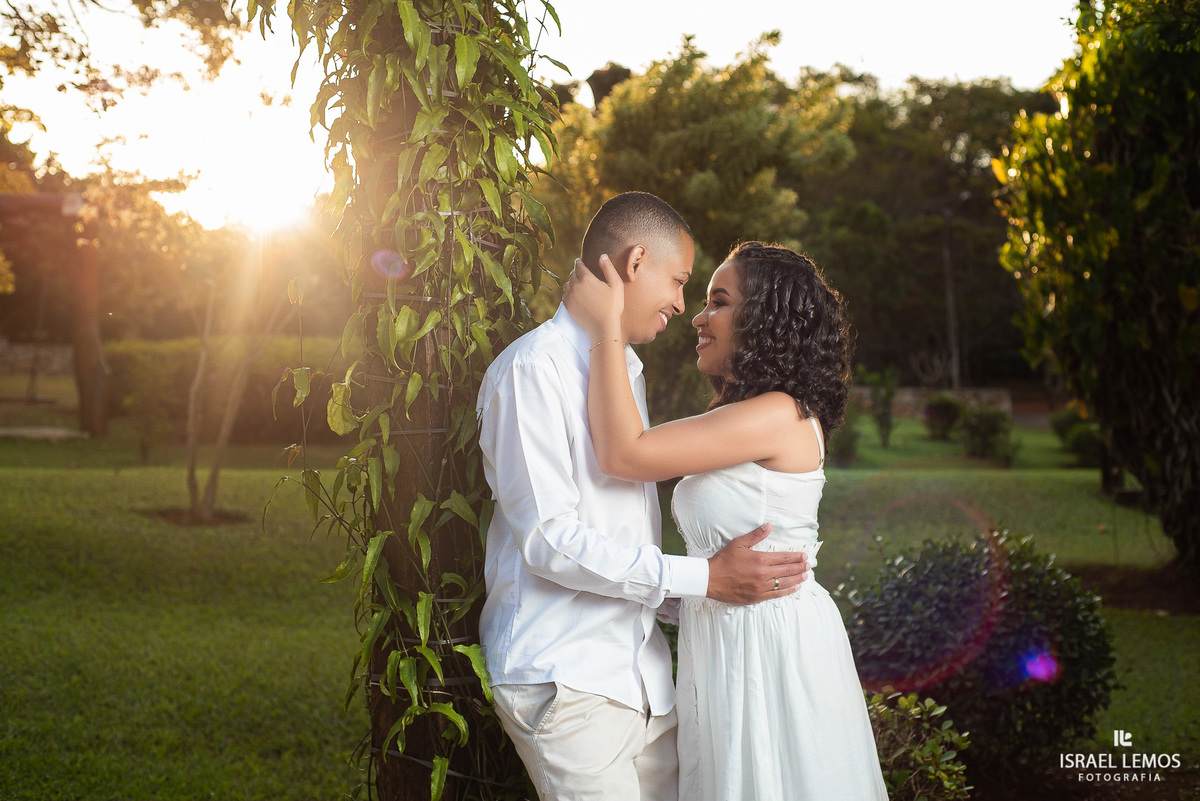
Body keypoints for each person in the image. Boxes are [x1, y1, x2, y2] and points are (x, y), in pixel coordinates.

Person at [475, 193, 812, 801]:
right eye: (680, 281)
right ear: (635, 262)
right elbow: (550, 542)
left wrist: (726, 600)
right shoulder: (533, 370)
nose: (682, 305)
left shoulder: (623, 371)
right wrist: (704, 579)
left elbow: (623, 537)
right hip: (568, 677)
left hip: (645, 684)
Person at [563, 241, 889, 801]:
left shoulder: (780, 413)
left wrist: (605, 325)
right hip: (729, 633)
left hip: (769, 644)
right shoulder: (757, 413)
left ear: (762, 320)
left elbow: (624, 453)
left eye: (718, 301)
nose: (698, 315)